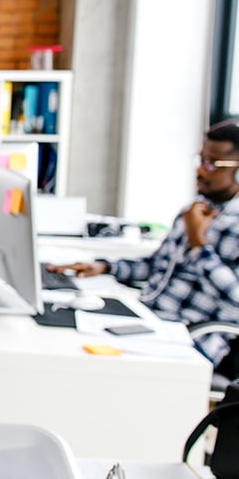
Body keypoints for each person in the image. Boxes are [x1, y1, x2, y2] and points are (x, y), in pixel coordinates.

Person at [47, 121, 239, 376]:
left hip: (190, 339)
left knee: (87, 365)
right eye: (201, 159)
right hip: (147, 318)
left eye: (212, 164)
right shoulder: (195, 210)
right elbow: (156, 265)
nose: (201, 171)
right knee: (63, 332)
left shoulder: (229, 226)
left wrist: (198, 245)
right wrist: (105, 266)